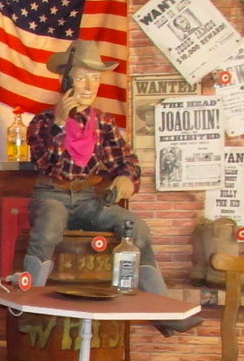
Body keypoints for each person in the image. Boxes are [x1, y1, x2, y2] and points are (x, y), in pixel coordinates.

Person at [21, 40, 198, 336]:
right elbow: (46, 164)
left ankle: (165, 312)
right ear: (65, 82)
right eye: (81, 78)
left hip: (88, 199)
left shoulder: (103, 124)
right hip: (52, 194)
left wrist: (126, 178)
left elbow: (127, 161)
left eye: (95, 78)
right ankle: (28, 306)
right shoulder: (42, 122)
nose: (89, 86)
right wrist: (60, 125)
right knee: (49, 226)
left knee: (136, 226)